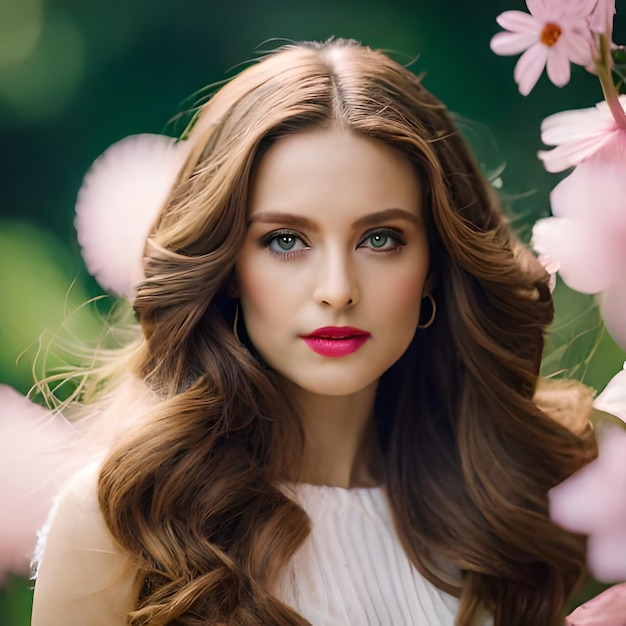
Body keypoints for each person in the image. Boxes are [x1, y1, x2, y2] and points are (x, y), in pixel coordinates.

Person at [31, 39, 597, 626]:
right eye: (285, 240)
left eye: (380, 239)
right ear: (227, 268)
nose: (336, 289)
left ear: (435, 266)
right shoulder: (120, 524)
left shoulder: (518, 508)